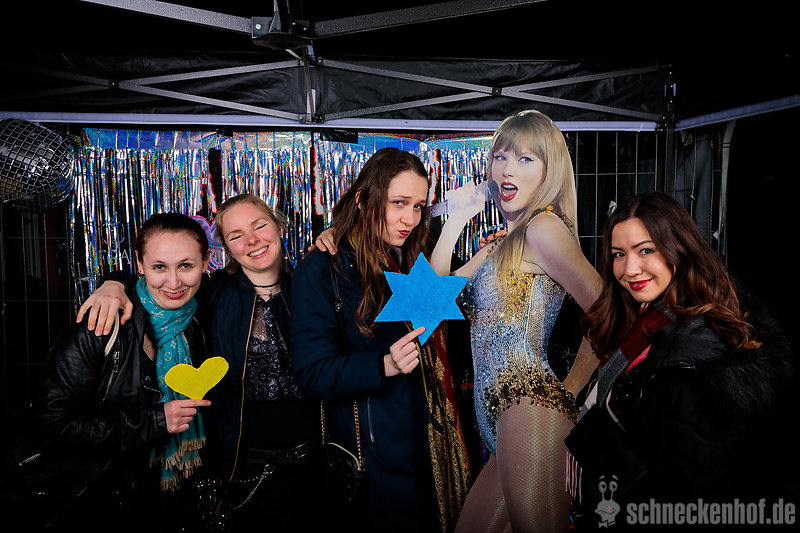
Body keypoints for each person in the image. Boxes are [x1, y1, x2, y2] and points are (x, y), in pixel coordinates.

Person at [73, 195, 324, 531]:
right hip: (246, 464)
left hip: (316, 457)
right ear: (224, 249)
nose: (252, 240)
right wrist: (114, 283)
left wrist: (333, 236)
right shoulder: (215, 292)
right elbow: (162, 276)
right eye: (236, 235)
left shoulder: (312, 284)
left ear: (278, 226)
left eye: (260, 226)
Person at [565, 191, 796, 529]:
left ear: (679, 250)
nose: (629, 269)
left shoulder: (689, 358)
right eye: (619, 254)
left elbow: (688, 492)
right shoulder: (648, 322)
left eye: (646, 250)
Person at [429, 109, 603, 533]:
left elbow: (607, 313)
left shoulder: (543, 228)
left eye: (525, 159)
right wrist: (456, 221)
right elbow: (428, 303)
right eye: (501, 156)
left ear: (549, 170)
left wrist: (569, 392)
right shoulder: (503, 244)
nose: (507, 169)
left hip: (528, 404)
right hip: (502, 415)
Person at [291, 147, 472, 533]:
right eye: (398, 203)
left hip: (434, 451)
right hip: (376, 464)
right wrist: (382, 365)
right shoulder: (323, 268)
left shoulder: (421, 253)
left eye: (419, 206)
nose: (410, 218)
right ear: (363, 199)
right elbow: (311, 372)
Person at [1, 213, 212, 532]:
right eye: (159, 267)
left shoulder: (195, 322)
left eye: (186, 265)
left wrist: (115, 281)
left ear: (205, 262)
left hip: (153, 498)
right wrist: (155, 422)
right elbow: (52, 424)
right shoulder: (100, 325)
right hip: (82, 497)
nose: (173, 282)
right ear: (139, 264)